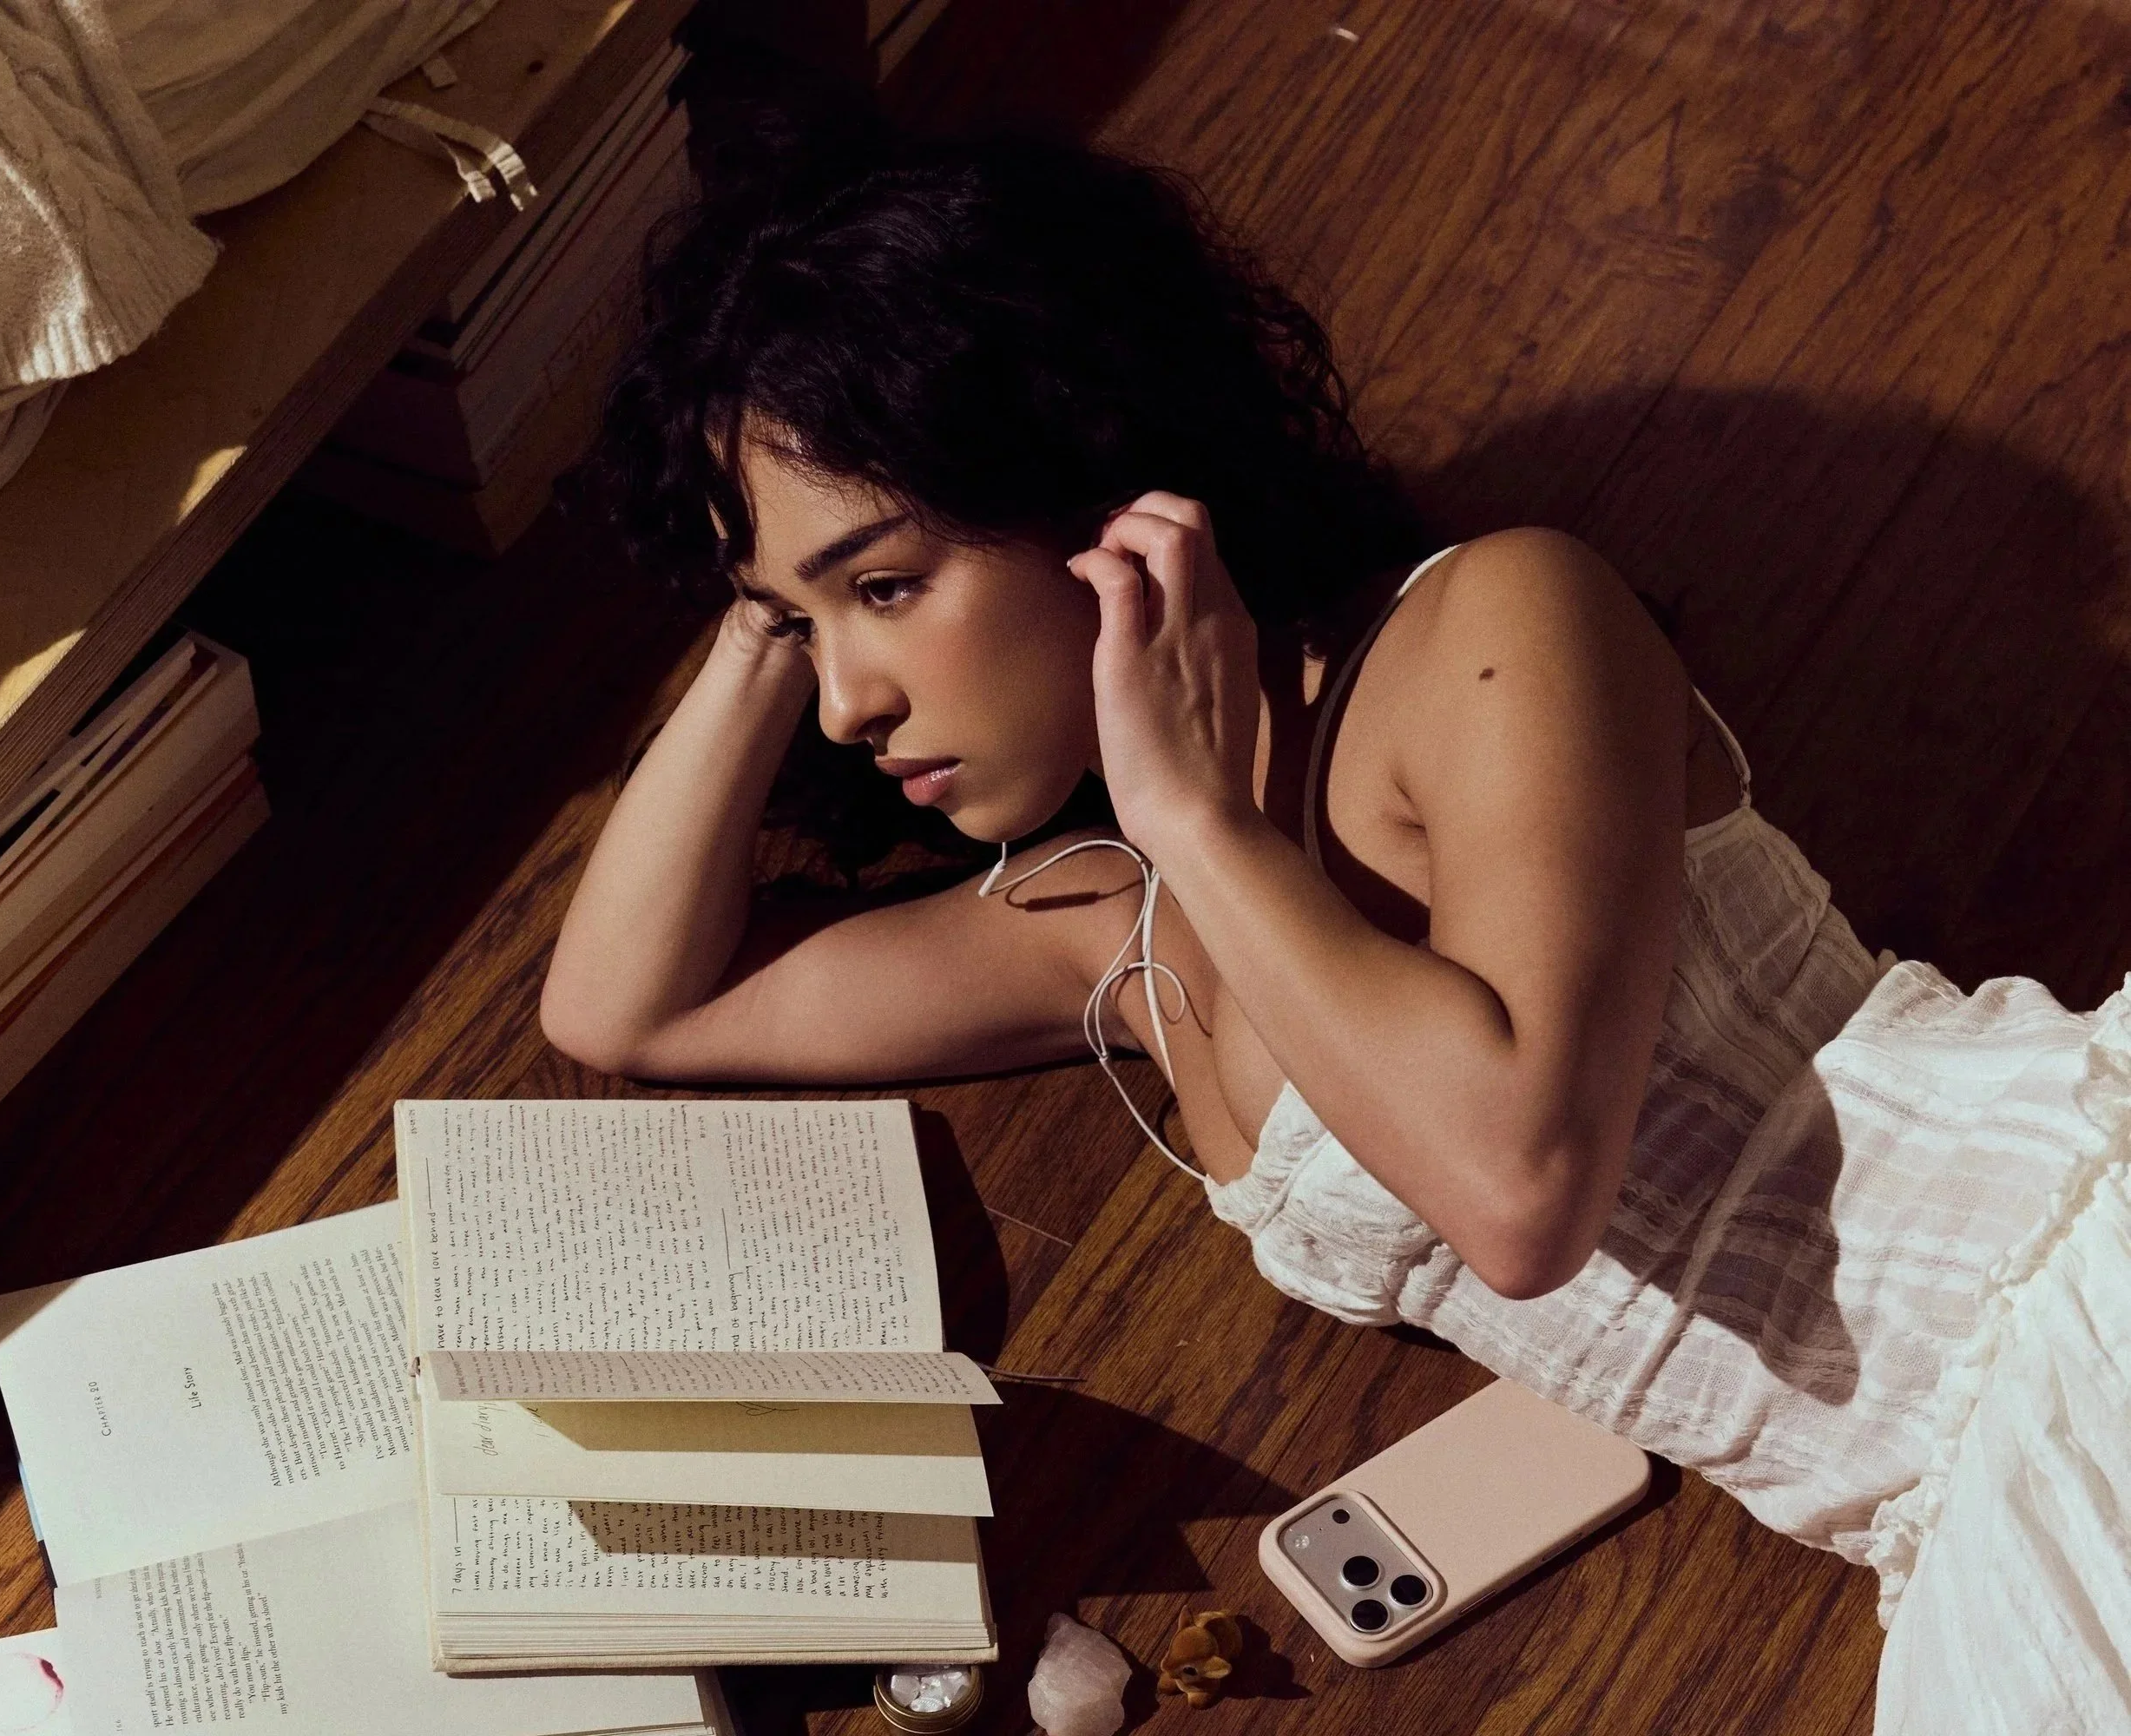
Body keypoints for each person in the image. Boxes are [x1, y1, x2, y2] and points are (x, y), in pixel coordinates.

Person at [542, 116, 2130, 1733]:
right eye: (798, 626)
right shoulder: (1109, 931)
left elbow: (1520, 1192)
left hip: (2080, 1263)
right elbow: (627, 1008)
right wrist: (759, 584)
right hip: (1949, 1512)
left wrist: (1197, 818)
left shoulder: (1494, 623)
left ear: (1093, 484)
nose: (847, 703)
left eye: (885, 588)